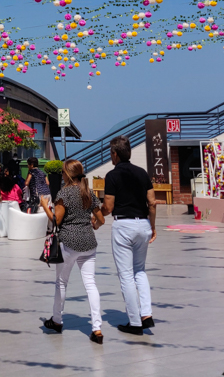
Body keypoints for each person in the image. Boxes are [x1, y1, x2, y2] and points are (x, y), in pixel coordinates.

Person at [42, 159, 105, 344]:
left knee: (61, 283)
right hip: (88, 243)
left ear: (67, 175)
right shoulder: (88, 191)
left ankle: (57, 320)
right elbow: (100, 218)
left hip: (69, 242)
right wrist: (94, 224)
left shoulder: (64, 193)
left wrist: (45, 206)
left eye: (62, 172)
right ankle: (97, 328)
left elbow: (57, 220)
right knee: (91, 284)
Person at [101, 136, 158, 337]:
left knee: (126, 274)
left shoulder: (112, 176)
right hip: (143, 224)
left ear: (115, 154)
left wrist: (98, 213)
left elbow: (108, 207)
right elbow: (152, 202)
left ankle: (134, 322)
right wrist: (152, 226)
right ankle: (146, 314)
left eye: (111, 153)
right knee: (139, 270)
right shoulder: (142, 173)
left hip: (123, 225)